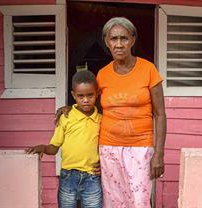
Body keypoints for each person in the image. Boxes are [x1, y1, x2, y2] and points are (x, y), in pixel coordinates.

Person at [57, 17, 166, 208]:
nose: (118, 44)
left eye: (123, 38)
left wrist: (158, 155)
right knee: (113, 202)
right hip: (108, 148)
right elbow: (91, 107)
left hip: (140, 147)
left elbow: (160, 114)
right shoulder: (102, 74)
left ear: (132, 39)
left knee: (139, 201)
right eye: (113, 39)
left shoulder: (148, 69)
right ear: (107, 43)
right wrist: (70, 107)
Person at [26, 70, 103, 208]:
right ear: (74, 95)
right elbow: (54, 147)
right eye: (80, 96)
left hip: (92, 177)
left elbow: (107, 147)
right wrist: (43, 147)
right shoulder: (66, 117)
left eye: (90, 95)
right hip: (68, 176)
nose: (85, 100)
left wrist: (105, 165)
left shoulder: (101, 120)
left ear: (97, 93)